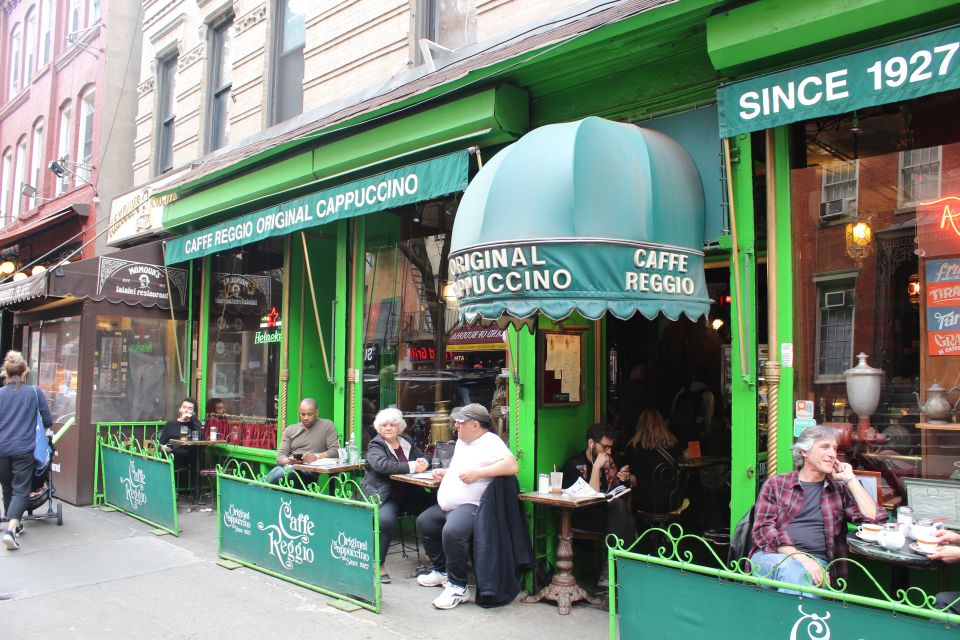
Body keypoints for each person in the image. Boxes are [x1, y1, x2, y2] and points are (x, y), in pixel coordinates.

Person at [749, 425, 886, 595]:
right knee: (794, 571)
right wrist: (801, 557)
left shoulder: (839, 488)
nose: (832, 454)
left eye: (834, 448)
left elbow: (874, 520)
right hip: (771, 556)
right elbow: (764, 530)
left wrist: (850, 479)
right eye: (824, 447)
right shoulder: (777, 484)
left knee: (800, 575)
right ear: (804, 452)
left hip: (818, 563)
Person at [416, 403, 518, 610]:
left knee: (453, 532)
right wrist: (446, 473)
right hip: (449, 504)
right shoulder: (463, 442)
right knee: (424, 522)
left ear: (474, 424)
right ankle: (441, 571)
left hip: (471, 505)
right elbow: (461, 468)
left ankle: (457, 586)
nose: (456, 426)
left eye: (461, 423)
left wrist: (479, 474)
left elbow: (512, 466)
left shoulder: (491, 441)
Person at [360, 408, 432, 583]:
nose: (389, 428)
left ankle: (434, 557)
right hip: (386, 494)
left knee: (436, 507)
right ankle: (379, 565)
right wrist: (413, 467)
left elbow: (424, 457)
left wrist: (424, 462)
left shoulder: (407, 441)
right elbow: (382, 465)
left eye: (393, 424)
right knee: (385, 520)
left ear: (400, 427)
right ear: (378, 428)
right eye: (384, 425)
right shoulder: (376, 445)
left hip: (409, 493)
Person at [561, 423, 637, 587]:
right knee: (625, 518)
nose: (608, 452)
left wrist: (622, 478)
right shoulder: (574, 465)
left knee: (624, 513)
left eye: (610, 448)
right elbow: (591, 495)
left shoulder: (608, 463)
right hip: (583, 515)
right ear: (591, 443)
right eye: (605, 447)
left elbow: (614, 491)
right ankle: (618, 570)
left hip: (606, 514)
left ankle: (610, 570)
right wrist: (596, 467)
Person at [0, 351, 53, 550]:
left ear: (6, 372)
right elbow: (48, 421)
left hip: (1, 448)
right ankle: (11, 529)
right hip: (23, 448)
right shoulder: (34, 392)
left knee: (7, 488)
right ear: (25, 372)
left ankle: (15, 524)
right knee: (21, 489)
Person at [265, 398, 339, 486]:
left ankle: (256, 486)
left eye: (309, 414)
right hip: (289, 469)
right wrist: (289, 460)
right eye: (302, 414)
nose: (306, 418)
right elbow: (280, 457)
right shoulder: (290, 430)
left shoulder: (327, 425)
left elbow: (335, 451)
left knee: (286, 472)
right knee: (283, 471)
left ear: (316, 412)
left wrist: (316, 456)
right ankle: (257, 487)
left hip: (309, 471)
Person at [622, 409, 682, 514]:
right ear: (663, 425)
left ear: (640, 425)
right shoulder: (674, 446)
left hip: (644, 502)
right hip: (672, 501)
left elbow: (627, 474)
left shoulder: (634, 447)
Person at [158, 398, 201, 472]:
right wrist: (163, 448)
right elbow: (161, 443)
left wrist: (193, 420)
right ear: (180, 409)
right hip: (171, 454)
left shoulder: (195, 424)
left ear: (193, 412)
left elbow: (200, 437)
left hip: (188, 456)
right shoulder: (170, 424)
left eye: (190, 408)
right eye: (184, 407)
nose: (186, 410)